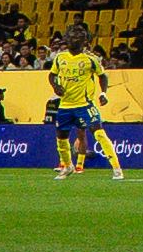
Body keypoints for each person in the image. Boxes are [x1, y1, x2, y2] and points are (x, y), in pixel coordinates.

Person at [44, 27, 123, 182]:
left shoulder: (90, 59)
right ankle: (68, 166)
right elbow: (52, 75)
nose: (74, 39)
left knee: (99, 133)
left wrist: (103, 93)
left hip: (84, 105)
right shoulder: (60, 58)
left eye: (78, 37)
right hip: (65, 105)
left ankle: (117, 168)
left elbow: (103, 76)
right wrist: (55, 86)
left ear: (84, 41)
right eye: (72, 37)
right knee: (61, 138)